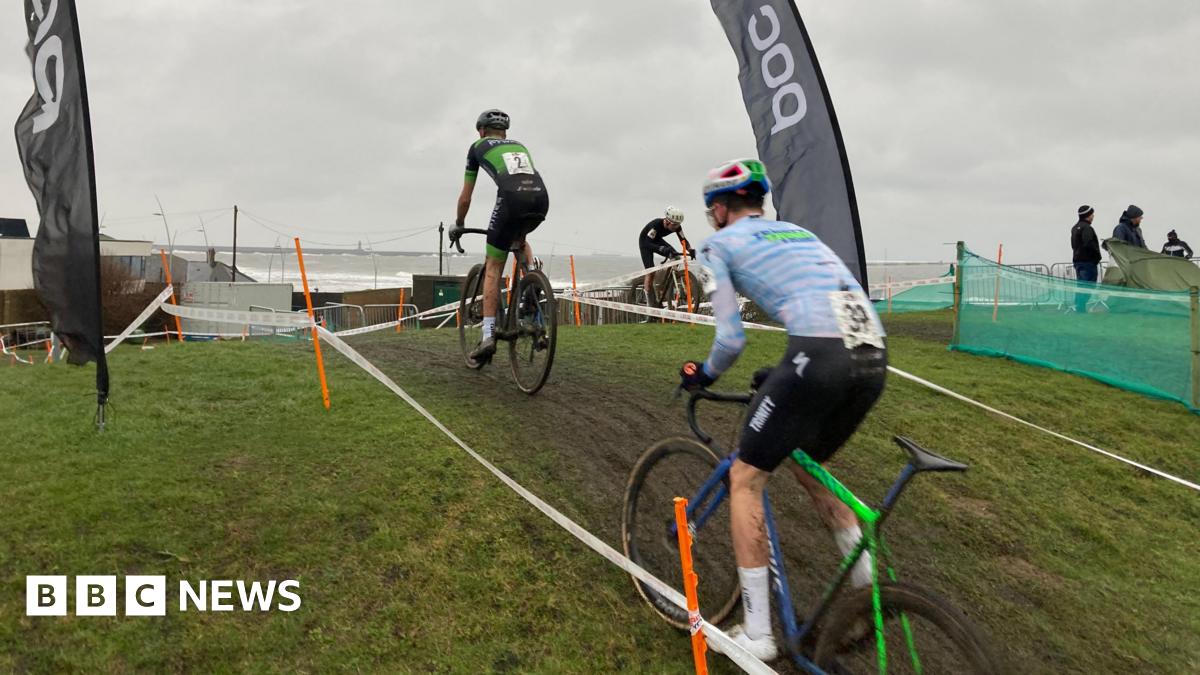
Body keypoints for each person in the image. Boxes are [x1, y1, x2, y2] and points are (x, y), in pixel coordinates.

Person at [678, 158, 887, 660]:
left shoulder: (718, 244)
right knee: (809, 465)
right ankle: (870, 599)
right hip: (871, 351)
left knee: (747, 477)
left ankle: (757, 637)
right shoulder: (795, 232)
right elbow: (821, 301)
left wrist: (703, 374)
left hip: (818, 355)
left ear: (721, 210)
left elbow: (730, 339)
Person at [451, 109, 549, 362]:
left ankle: (487, 335)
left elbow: (466, 197)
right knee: (520, 240)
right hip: (540, 199)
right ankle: (531, 285)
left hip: (512, 200)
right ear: (505, 132)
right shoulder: (518, 145)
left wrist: (459, 223)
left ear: (482, 131)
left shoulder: (477, 147)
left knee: (494, 265)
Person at [637, 207, 693, 306]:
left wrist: (691, 249)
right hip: (645, 242)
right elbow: (648, 243)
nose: (676, 227)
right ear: (667, 222)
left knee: (676, 257)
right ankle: (650, 304)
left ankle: (672, 279)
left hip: (657, 240)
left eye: (678, 225)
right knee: (651, 272)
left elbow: (683, 240)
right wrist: (661, 249)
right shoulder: (656, 225)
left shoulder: (677, 226)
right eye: (674, 225)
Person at [1070, 205, 1101, 312]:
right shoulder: (1087, 228)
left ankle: (1079, 307)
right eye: (1092, 214)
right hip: (1088, 262)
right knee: (1088, 286)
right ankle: (1080, 308)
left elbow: (1073, 245)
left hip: (1078, 261)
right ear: (1088, 216)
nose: (1093, 216)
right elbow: (1089, 244)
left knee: (1081, 285)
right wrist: (1097, 257)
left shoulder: (1075, 228)